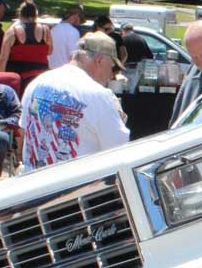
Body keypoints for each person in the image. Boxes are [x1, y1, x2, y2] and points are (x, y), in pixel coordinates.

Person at [20, 32, 129, 170]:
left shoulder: (37, 83)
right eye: (112, 67)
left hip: (32, 183)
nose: (111, 74)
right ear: (100, 60)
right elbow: (119, 149)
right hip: (75, 187)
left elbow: (23, 132)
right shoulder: (98, 95)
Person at [0, 0, 52, 87]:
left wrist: (0, 81)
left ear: (20, 15)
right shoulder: (45, 30)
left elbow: (3, 59)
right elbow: (49, 51)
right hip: (41, 76)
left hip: (20, 78)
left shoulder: (12, 32)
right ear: (36, 15)